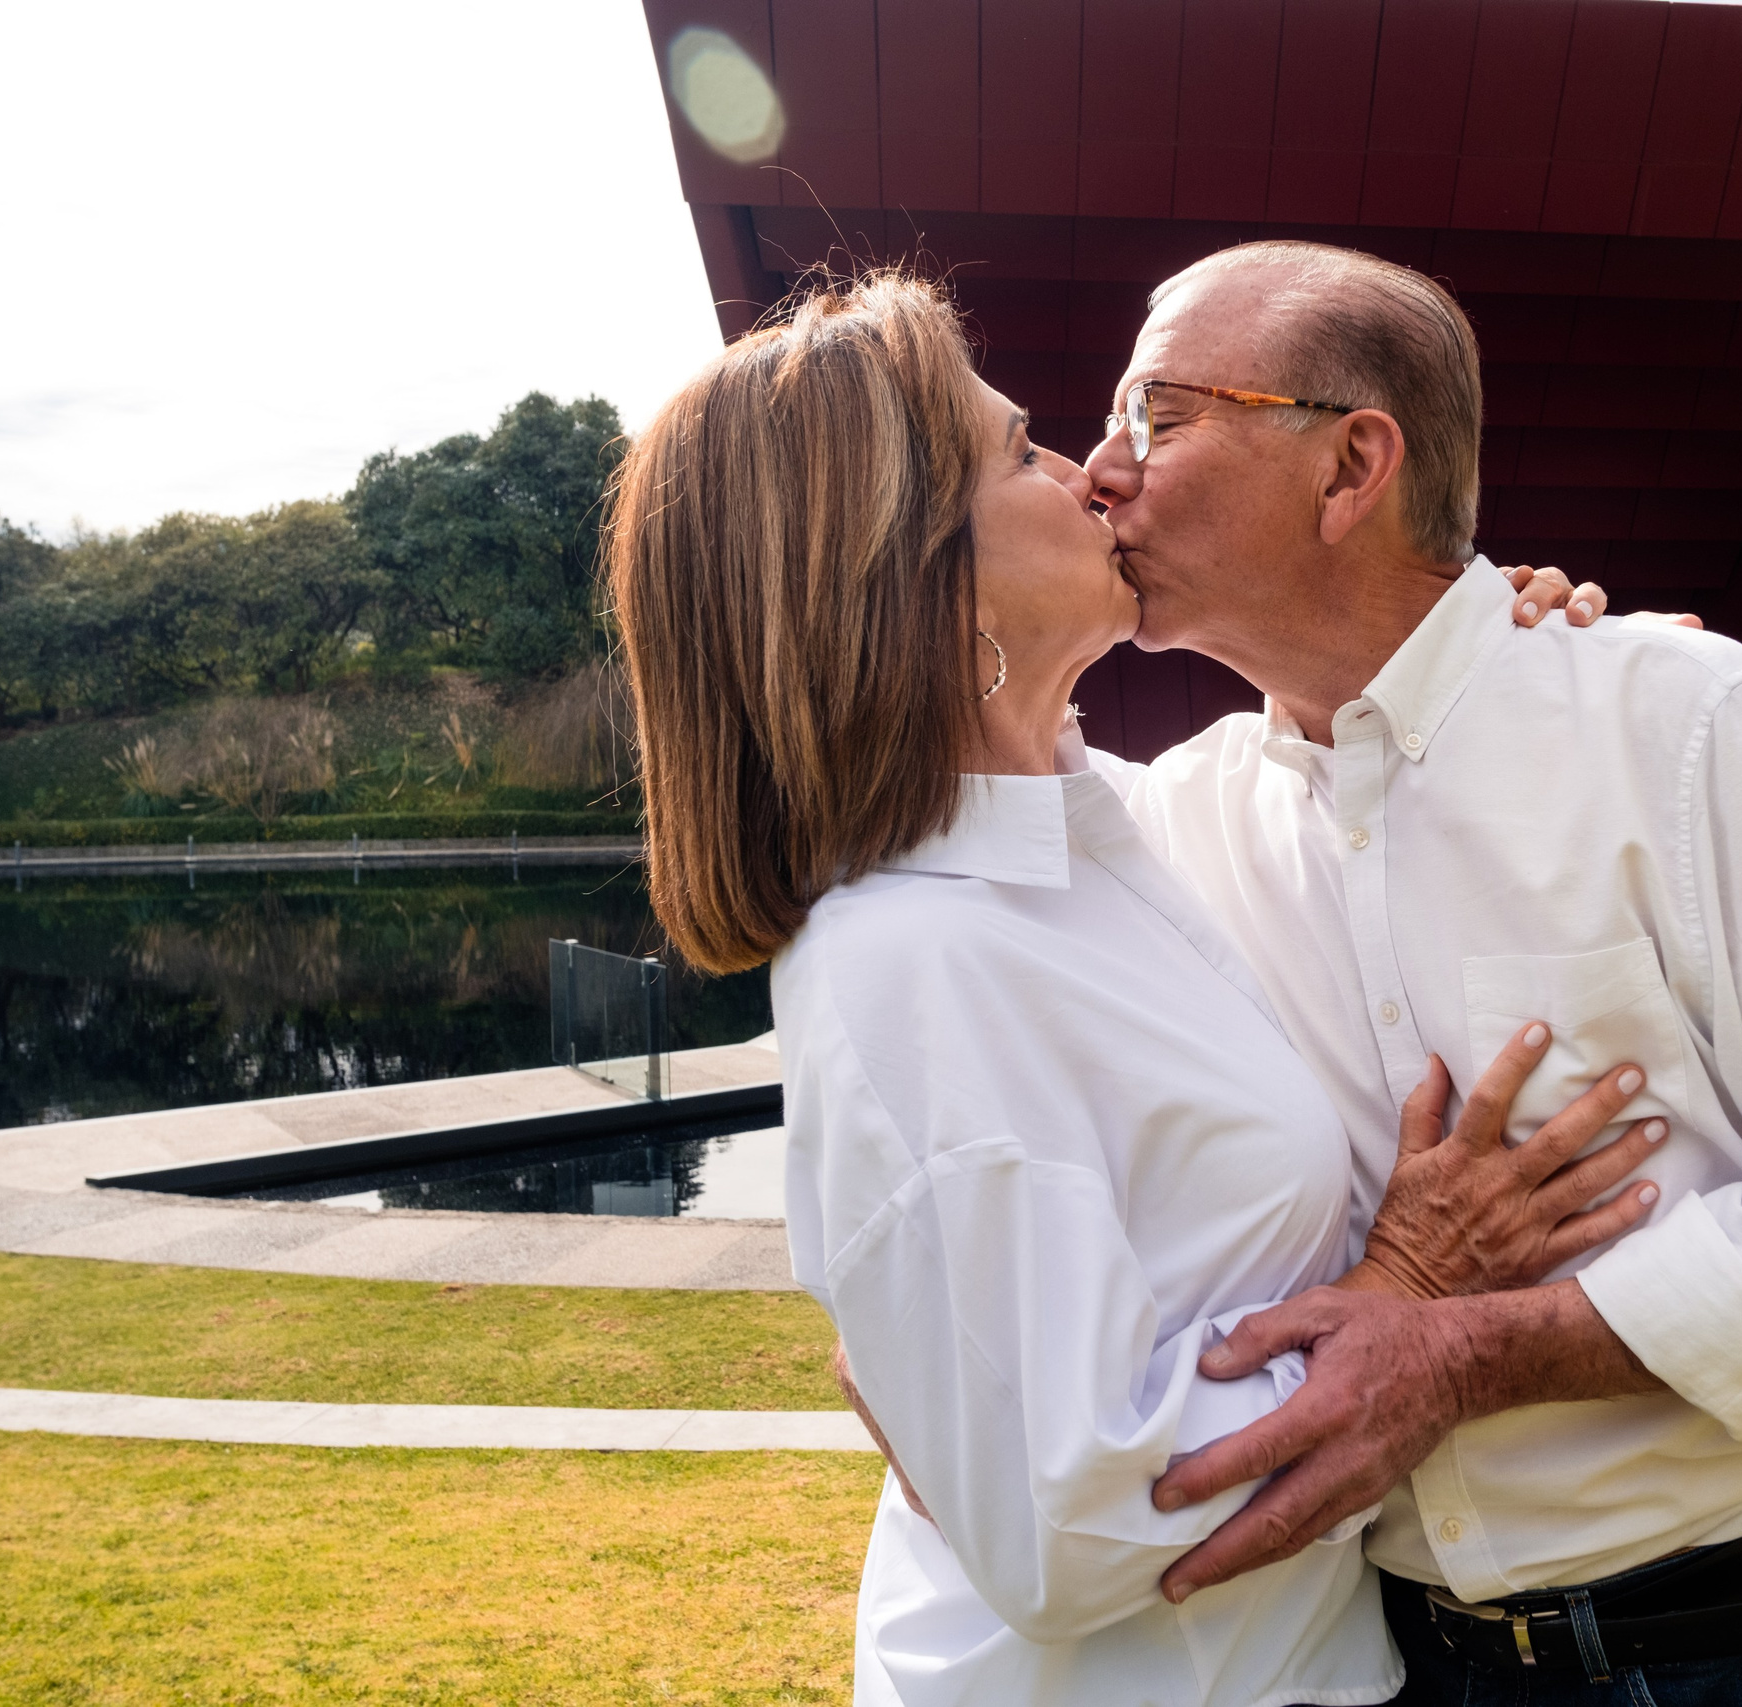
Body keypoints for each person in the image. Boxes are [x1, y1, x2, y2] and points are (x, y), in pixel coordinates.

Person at [603, 272, 1675, 1707]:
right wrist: (1406, 1292)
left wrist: (1484, 645)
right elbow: (1070, 1525)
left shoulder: (1119, 832)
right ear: (914, 572)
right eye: (1023, 452)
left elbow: (1349, 748)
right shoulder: (911, 962)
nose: (1094, 472)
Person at [1069, 241, 1742, 1705]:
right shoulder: (1170, 820)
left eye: (1156, 414)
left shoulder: (1682, 719)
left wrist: (1469, 1353)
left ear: (1350, 469)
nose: (1101, 471)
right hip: (1383, 1663)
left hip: (1725, 1660)